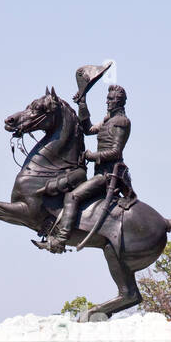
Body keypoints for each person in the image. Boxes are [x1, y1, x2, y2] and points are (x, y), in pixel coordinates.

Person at [47, 78, 133, 251]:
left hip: (108, 176)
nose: (108, 102)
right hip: (100, 172)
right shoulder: (108, 120)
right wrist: (82, 103)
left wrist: (91, 155)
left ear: (120, 101)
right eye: (107, 99)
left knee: (72, 196)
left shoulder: (121, 122)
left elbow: (116, 152)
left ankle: (60, 239)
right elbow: (87, 129)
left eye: (111, 99)